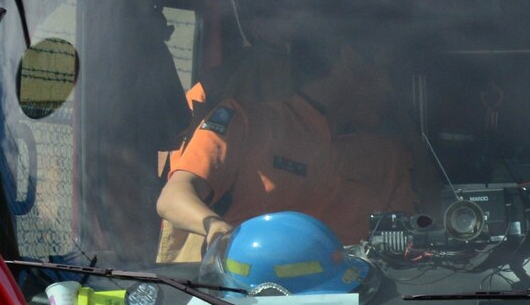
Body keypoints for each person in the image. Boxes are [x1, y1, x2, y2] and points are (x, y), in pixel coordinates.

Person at [156, 38, 415, 251]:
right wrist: (214, 225)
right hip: (251, 301)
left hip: (363, 304)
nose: (392, 90)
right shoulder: (245, 121)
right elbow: (172, 197)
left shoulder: (389, 155)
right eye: (387, 73)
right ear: (351, 62)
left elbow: (411, 244)